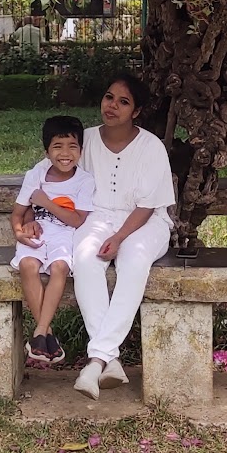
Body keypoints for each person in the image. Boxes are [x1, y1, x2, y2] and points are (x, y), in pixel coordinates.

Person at [71, 74, 176, 400]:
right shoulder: (84, 140)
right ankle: (111, 359)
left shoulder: (150, 146)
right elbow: (52, 176)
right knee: (86, 259)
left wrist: (118, 237)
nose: (112, 106)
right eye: (108, 97)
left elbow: (147, 206)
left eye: (123, 101)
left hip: (146, 222)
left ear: (137, 111)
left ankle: (97, 359)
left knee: (134, 260)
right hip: (97, 218)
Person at [10, 115, 96, 365]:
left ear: (81, 149)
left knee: (60, 268)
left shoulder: (84, 180)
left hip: (66, 236)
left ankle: (39, 333)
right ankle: (45, 335)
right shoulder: (36, 173)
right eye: (57, 147)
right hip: (36, 234)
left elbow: (77, 220)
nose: (65, 153)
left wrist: (46, 203)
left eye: (72, 146)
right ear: (46, 151)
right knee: (28, 265)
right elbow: (17, 214)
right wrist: (20, 231)